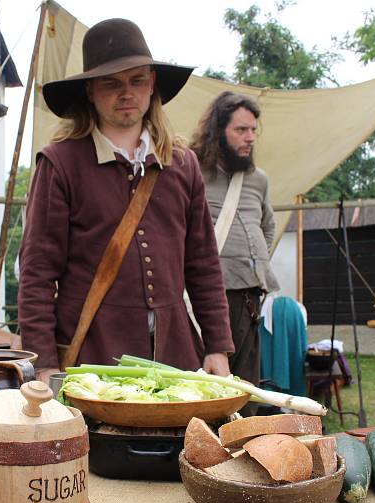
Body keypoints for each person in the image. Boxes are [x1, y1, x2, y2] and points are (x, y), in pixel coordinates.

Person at [18, 18, 235, 382]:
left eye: (137, 80)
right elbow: (37, 272)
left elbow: (204, 265)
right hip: (92, 356)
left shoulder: (182, 164)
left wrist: (216, 346)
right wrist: (44, 364)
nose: (126, 93)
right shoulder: (61, 163)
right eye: (111, 83)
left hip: (175, 354)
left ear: (152, 85)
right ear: (90, 90)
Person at [189, 91, 280, 412]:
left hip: (251, 293)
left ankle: (243, 447)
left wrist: (254, 261)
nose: (250, 137)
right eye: (241, 130)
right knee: (208, 383)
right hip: (211, 295)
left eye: (254, 130)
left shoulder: (259, 180)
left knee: (245, 385)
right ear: (218, 130)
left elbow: (268, 226)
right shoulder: (192, 171)